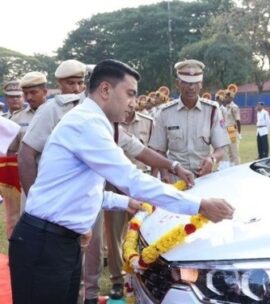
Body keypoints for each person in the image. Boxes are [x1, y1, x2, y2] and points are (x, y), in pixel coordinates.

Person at [8, 59, 235, 304]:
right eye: (129, 94)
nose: (133, 103)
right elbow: (131, 178)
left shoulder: (96, 122)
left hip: (59, 243)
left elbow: (82, 189)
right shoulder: (87, 124)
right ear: (105, 90)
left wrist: (125, 201)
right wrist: (199, 205)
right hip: (46, 245)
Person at [102, 106, 155, 300]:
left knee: (143, 232)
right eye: (127, 96)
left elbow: (153, 151)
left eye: (133, 96)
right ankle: (117, 279)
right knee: (114, 235)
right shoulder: (108, 122)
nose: (129, 102)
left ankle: (141, 274)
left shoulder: (148, 122)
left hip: (140, 186)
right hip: (114, 185)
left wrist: (156, 179)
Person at [148, 59, 229, 181]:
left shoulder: (212, 111)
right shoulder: (165, 113)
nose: (191, 87)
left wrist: (212, 159)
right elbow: (159, 150)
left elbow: (221, 148)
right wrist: (164, 173)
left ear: (201, 84)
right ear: (177, 83)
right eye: (186, 83)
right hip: (175, 179)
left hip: (204, 178)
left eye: (195, 83)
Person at [0, 81, 23, 238]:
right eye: (11, 97)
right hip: (8, 172)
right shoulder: (3, 118)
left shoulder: (35, 115)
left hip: (26, 167)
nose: (15, 100)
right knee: (11, 215)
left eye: (18, 97)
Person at [8, 71, 47, 155]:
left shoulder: (57, 113)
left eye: (33, 92)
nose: (29, 97)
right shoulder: (17, 118)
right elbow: (11, 150)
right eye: (25, 93)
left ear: (45, 92)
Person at [218, 85, 241, 166]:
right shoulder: (226, 107)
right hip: (227, 130)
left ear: (231, 98)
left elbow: (238, 121)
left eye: (227, 97)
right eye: (225, 97)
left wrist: (238, 132)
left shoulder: (234, 107)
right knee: (229, 152)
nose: (225, 98)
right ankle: (231, 168)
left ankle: (237, 168)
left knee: (234, 151)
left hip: (232, 130)